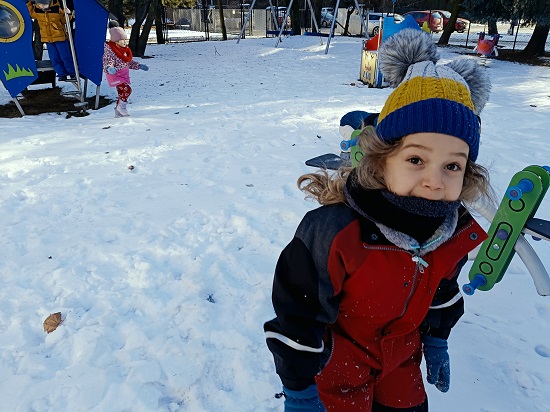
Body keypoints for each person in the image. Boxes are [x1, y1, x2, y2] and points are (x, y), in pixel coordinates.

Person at [264, 28, 492, 411]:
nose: (435, 180)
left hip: (401, 359)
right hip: (339, 363)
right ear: (382, 160)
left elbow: (442, 287)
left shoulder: (450, 231)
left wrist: (437, 337)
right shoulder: (335, 232)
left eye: (452, 165)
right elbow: (298, 313)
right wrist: (299, 388)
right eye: (416, 159)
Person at [102, 24, 149, 117]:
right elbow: (108, 61)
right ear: (116, 41)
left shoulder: (123, 50)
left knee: (122, 93)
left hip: (123, 75)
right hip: (115, 75)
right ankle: (122, 107)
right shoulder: (111, 51)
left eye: (125, 40)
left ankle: (118, 111)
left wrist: (139, 66)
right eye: (122, 40)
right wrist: (110, 68)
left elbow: (128, 62)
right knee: (127, 90)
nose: (124, 42)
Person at [26, 0, 75, 81]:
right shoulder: (37, 10)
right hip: (48, 40)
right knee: (54, 58)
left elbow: (64, 20)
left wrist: (69, 13)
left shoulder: (56, 9)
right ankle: (61, 74)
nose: (42, 7)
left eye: (44, 5)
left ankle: (72, 73)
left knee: (65, 57)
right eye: (40, 5)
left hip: (60, 38)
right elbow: (31, 13)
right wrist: (28, 3)